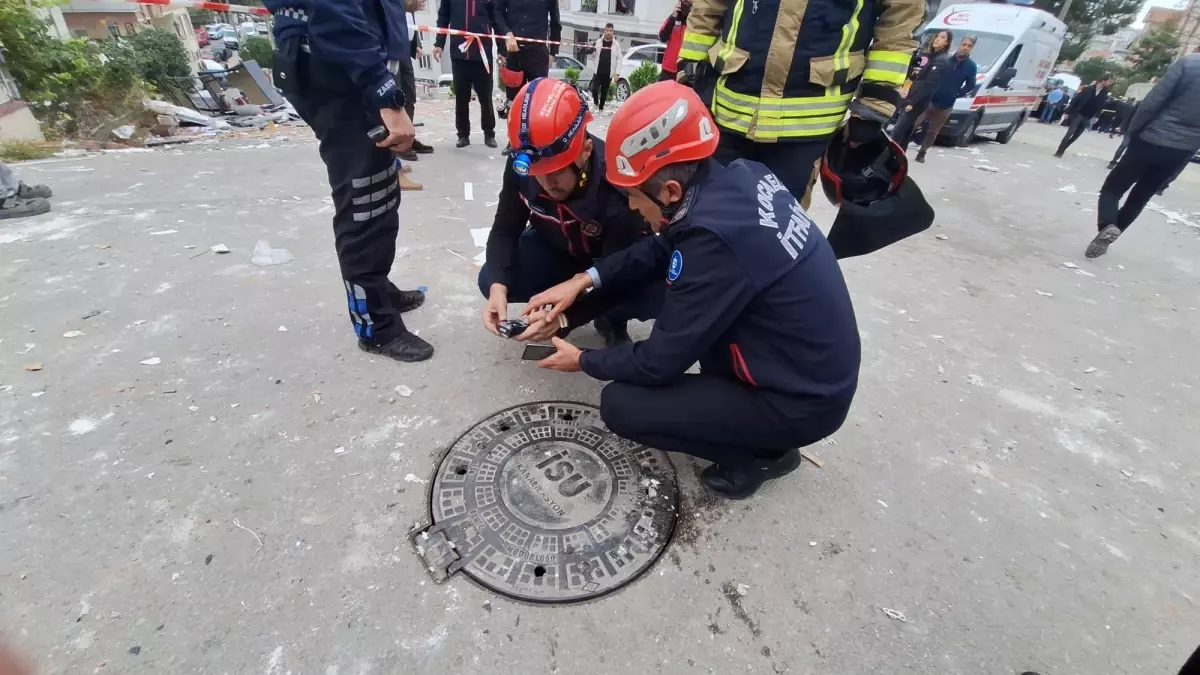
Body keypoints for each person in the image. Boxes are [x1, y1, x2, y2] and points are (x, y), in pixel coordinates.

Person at [523, 82, 860, 499]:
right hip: (806, 370)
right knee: (669, 292)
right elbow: (658, 249)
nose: (632, 207)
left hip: (801, 402)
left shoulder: (714, 243)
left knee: (622, 407)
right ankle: (752, 423)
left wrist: (584, 360)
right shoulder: (740, 178)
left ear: (669, 191)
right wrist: (582, 280)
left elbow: (657, 363)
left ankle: (759, 456)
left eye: (633, 195)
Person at [267, 0, 434, 362]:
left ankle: (378, 292)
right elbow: (333, 11)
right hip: (338, 67)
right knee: (364, 202)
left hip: (354, 63)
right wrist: (385, 94)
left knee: (381, 191)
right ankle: (375, 327)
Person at [676, 0, 922, 209]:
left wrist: (874, 106)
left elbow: (900, 20)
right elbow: (707, 8)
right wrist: (690, 78)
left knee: (777, 225)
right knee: (708, 213)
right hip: (728, 110)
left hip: (806, 125)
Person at [478, 78, 663, 347]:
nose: (547, 183)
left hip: (608, 259)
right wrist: (498, 287)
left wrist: (566, 317)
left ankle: (611, 319)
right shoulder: (523, 164)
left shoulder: (617, 183)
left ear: (586, 150)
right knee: (491, 277)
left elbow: (620, 269)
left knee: (650, 288)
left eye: (557, 171)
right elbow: (505, 228)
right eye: (539, 173)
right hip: (557, 249)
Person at [1085, 55, 1200, 258]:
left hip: (1151, 138)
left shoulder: (1189, 63)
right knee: (1140, 197)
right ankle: (1111, 234)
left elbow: (1153, 102)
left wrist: (1134, 130)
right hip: (1183, 149)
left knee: (1113, 189)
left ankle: (1108, 224)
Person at [435, 0, 498, 148]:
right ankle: (463, 135)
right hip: (459, 54)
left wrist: (502, 50)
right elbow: (443, 17)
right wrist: (439, 44)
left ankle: (489, 133)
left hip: (482, 54)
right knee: (461, 97)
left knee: (486, 98)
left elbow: (497, 19)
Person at [493, 0, 560, 133]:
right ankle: (513, 139)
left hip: (538, 53)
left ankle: (536, 138)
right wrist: (507, 34)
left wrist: (553, 52)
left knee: (538, 101)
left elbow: (555, 22)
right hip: (513, 52)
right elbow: (497, 13)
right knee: (513, 101)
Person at [909, 36, 977, 163]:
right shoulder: (946, 60)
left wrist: (957, 93)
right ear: (959, 44)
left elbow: (970, 85)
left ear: (972, 48)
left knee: (933, 132)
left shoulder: (971, 66)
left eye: (969, 46)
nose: (965, 48)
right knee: (914, 123)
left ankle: (922, 152)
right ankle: (900, 146)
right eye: (964, 44)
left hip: (946, 104)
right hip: (930, 99)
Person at [890, 29, 953, 149]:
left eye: (942, 37)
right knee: (906, 131)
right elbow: (914, 75)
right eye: (937, 36)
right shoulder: (927, 56)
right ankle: (899, 154)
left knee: (897, 131)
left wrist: (912, 102)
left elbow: (928, 85)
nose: (937, 39)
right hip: (909, 95)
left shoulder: (942, 60)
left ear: (947, 43)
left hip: (917, 101)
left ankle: (889, 154)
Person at [394, 0, 429, 191]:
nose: (424, 3)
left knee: (409, 96)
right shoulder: (389, 5)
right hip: (390, 52)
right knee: (394, 101)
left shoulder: (405, 8)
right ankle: (394, 163)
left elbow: (408, 23)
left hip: (403, 50)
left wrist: (414, 44)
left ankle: (407, 140)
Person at [1055, 74, 1113, 157]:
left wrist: (1097, 116)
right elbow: (1076, 99)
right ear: (1103, 81)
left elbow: (1101, 105)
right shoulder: (1088, 89)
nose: (1110, 83)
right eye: (1108, 81)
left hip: (1088, 116)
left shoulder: (1104, 92)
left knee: (1076, 135)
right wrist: (1067, 112)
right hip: (1078, 113)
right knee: (1070, 132)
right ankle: (1059, 151)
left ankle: (1064, 147)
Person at [585, 24, 622, 112]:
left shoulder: (616, 45)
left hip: (608, 72)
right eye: (607, 30)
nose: (609, 32)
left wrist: (617, 73)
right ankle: (595, 104)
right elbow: (592, 55)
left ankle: (601, 108)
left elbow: (619, 59)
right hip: (598, 71)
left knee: (604, 92)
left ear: (613, 32)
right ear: (604, 31)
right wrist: (591, 50)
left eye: (610, 31)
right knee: (594, 89)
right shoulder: (598, 42)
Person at [657, 0, 690, 82]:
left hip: (684, 71)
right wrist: (673, 16)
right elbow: (662, 37)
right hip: (668, 69)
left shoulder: (693, 22)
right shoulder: (673, 18)